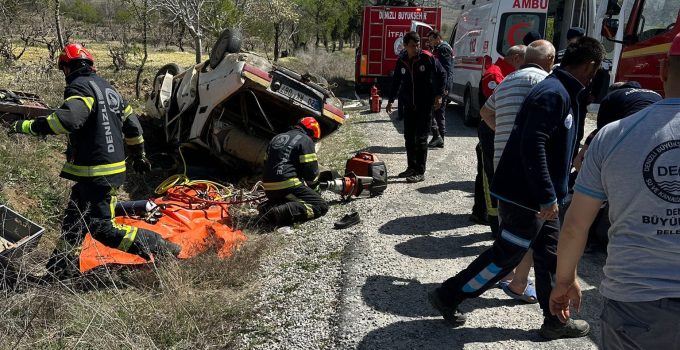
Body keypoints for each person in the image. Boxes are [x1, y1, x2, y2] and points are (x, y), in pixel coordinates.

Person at [430, 37, 604, 340]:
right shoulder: (553, 93)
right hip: (527, 197)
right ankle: (449, 294)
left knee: (550, 256)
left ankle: (555, 320)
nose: (595, 77)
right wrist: (547, 195)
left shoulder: (564, 91)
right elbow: (531, 144)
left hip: (538, 198)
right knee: (506, 256)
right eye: (596, 70)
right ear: (590, 66)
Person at [550, 33, 680, 349]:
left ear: (663, 69)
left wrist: (564, 281)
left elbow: (576, 226)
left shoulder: (613, 136)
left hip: (638, 305)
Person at [8, 43, 181, 277]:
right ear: (91, 65)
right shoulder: (110, 90)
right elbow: (133, 127)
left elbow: (69, 120)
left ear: (67, 68)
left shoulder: (79, 87)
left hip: (96, 174)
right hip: (102, 172)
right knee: (74, 222)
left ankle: (161, 248)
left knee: (102, 228)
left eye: (64, 70)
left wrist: (26, 126)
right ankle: (61, 271)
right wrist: (138, 156)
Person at [479, 40, 556, 304]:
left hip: (503, 162)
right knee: (531, 228)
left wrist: (503, 131)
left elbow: (485, 111)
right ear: (550, 59)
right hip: (529, 167)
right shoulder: (545, 83)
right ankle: (519, 283)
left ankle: (507, 272)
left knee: (507, 223)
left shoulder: (508, 80)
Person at [472, 45, 525, 236]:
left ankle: (482, 212)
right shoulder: (495, 76)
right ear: (517, 57)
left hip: (495, 131)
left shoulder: (507, 73)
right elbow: (491, 110)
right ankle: (492, 218)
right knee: (490, 175)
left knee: (491, 174)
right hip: (491, 131)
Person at [386, 31, 446, 183]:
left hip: (424, 105)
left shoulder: (427, 57)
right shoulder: (402, 60)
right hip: (409, 105)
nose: (416, 48)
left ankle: (420, 171)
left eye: (418, 44)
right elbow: (397, 80)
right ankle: (411, 167)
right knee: (408, 138)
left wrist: (439, 95)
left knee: (421, 138)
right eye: (413, 46)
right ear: (405, 46)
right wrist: (391, 99)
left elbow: (442, 74)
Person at [260, 117, 328, 226]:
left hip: (268, 188)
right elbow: (311, 172)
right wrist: (316, 192)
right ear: (311, 132)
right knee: (320, 206)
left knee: (291, 200)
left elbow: (265, 162)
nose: (313, 142)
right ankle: (279, 213)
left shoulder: (276, 138)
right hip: (287, 185)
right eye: (314, 140)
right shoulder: (306, 139)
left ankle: (267, 208)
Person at [427, 30, 454, 149]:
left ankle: (440, 138)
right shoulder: (441, 47)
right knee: (437, 111)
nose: (430, 42)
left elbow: (446, 70)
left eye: (431, 40)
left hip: (442, 86)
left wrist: (444, 89)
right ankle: (438, 138)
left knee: (438, 111)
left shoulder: (443, 49)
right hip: (440, 85)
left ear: (438, 38)